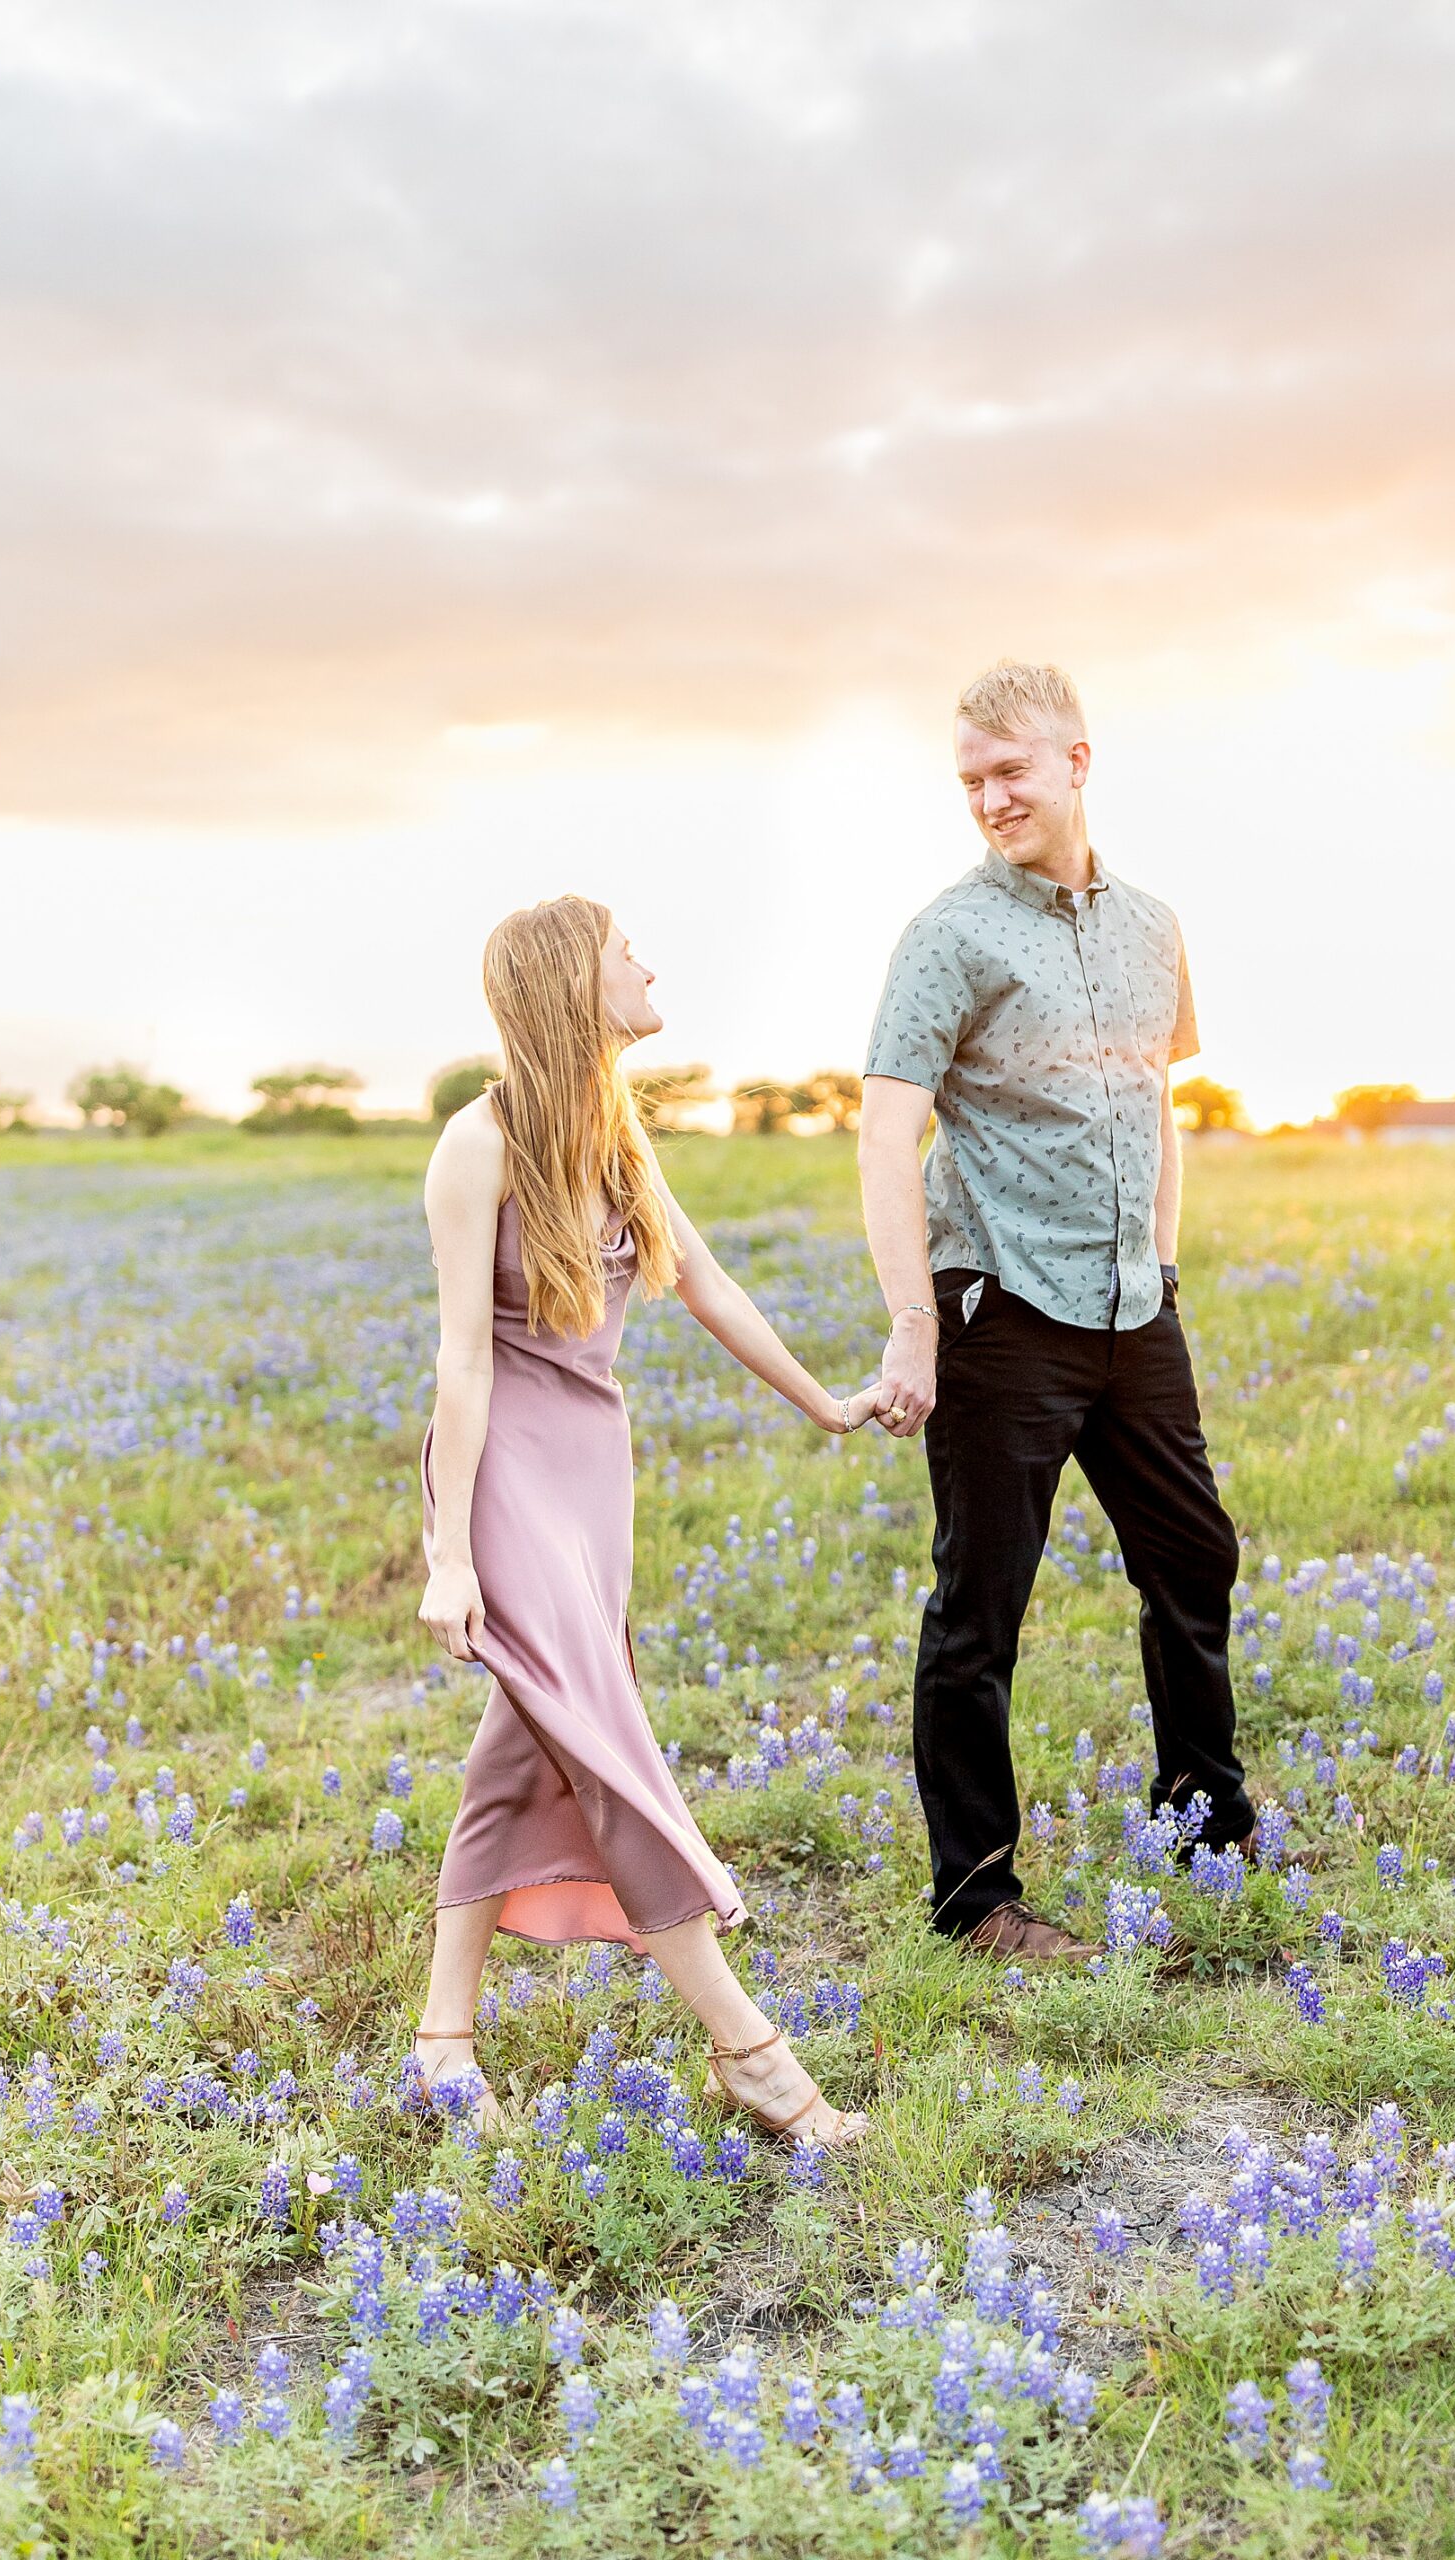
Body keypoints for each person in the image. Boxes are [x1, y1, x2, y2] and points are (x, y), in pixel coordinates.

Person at [414, 893, 878, 2144]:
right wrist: (449, 1553)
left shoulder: (616, 1132)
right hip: (506, 1469)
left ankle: (442, 2041)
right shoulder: (480, 1143)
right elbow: (463, 1363)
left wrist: (825, 1404)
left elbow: (707, 1283)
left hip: (590, 1472)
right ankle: (752, 2050)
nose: (652, 964)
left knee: (530, 1739)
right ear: (578, 983)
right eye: (629, 952)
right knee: (606, 1748)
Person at [857, 660, 1255, 1964]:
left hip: (1131, 1306)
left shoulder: (1151, 924)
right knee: (979, 1608)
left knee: (1191, 1556)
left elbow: (1156, 1104)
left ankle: (1203, 1817)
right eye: (967, 779)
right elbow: (885, 1132)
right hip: (999, 1309)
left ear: (1074, 761)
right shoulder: (949, 934)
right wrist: (911, 1320)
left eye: (1006, 772)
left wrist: (1164, 1262)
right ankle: (975, 1900)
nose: (986, 797)